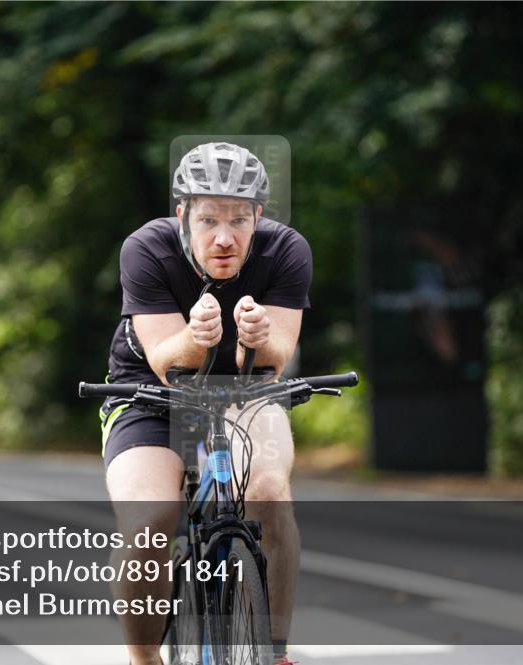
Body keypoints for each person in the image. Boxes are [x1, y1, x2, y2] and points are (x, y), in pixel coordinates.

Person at [101, 143, 311, 665]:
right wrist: (198, 337)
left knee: (267, 489)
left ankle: (276, 652)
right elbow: (166, 360)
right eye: (209, 219)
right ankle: (144, 659)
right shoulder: (146, 250)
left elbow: (277, 356)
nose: (224, 236)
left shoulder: (286, 251)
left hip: (247, 389)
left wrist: (259, 336)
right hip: (151, 394)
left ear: (258, 216)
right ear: (182, 216)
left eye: (240, 219)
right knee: (149, 518)